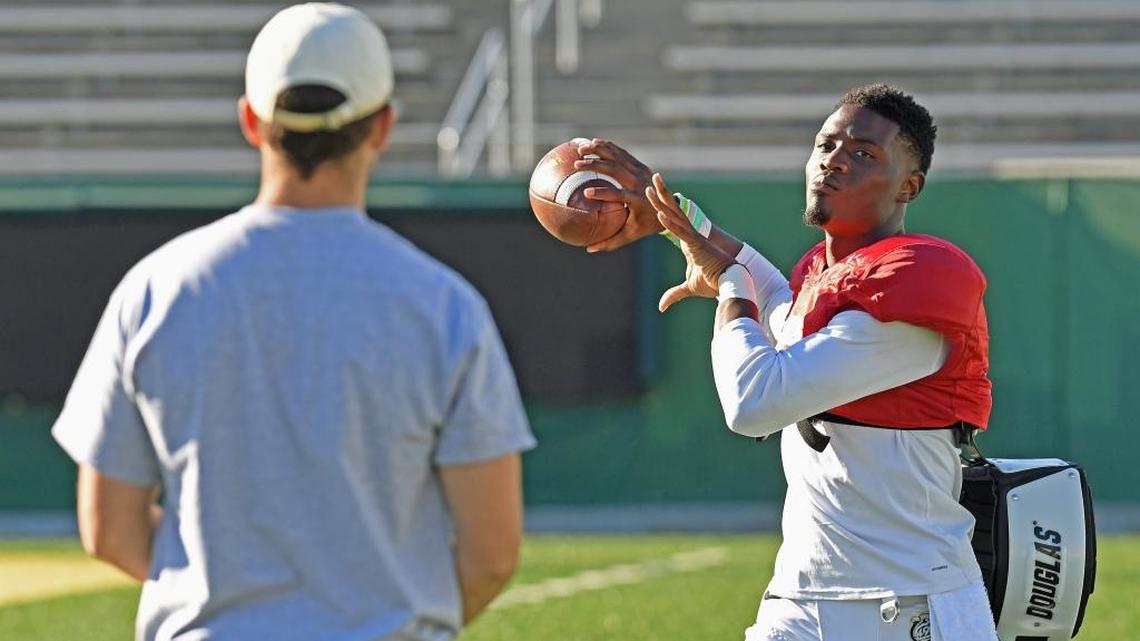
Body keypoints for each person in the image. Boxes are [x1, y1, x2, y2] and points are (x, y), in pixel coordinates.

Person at [51, 4, 535, 641]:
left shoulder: (154, 290)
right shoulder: (444, 305)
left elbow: (107, 529)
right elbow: (491, 553)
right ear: (382, 126)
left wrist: (228, 594)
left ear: (252, 121)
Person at [575, 84, 998, 641]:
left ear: (909, 186)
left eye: (863, 153)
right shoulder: (826, 273)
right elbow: (779, 301)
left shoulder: (914, 278)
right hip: (803, 598)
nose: (835, 160)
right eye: (826, 144)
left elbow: (754, 403)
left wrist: (728, 286)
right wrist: (673, 216)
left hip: (907, 605)